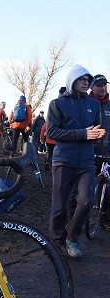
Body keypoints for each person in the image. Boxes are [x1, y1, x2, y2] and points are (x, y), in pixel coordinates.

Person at [47, 65, 105, 258]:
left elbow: (95, 130)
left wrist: (98, 134)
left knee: (86, 201)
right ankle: (56, 241)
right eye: (82, 79)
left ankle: (71, 238)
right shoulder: (57, 104)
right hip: (63, 160)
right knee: (59, 206)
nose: (86, 83)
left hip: (87, 161)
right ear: (72, 81)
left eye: (87, 80)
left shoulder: (94, 104)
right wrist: (83, 134)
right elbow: (52, 133)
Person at [89, 73, 110, 230]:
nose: (103, 88)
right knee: (84, 186)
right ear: (92, 87)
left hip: (108, 152)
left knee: (108, 186)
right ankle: (79, 217)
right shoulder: (86, 103)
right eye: (99, 85)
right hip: (89, 151)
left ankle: (104, 218)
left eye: (104, 85)